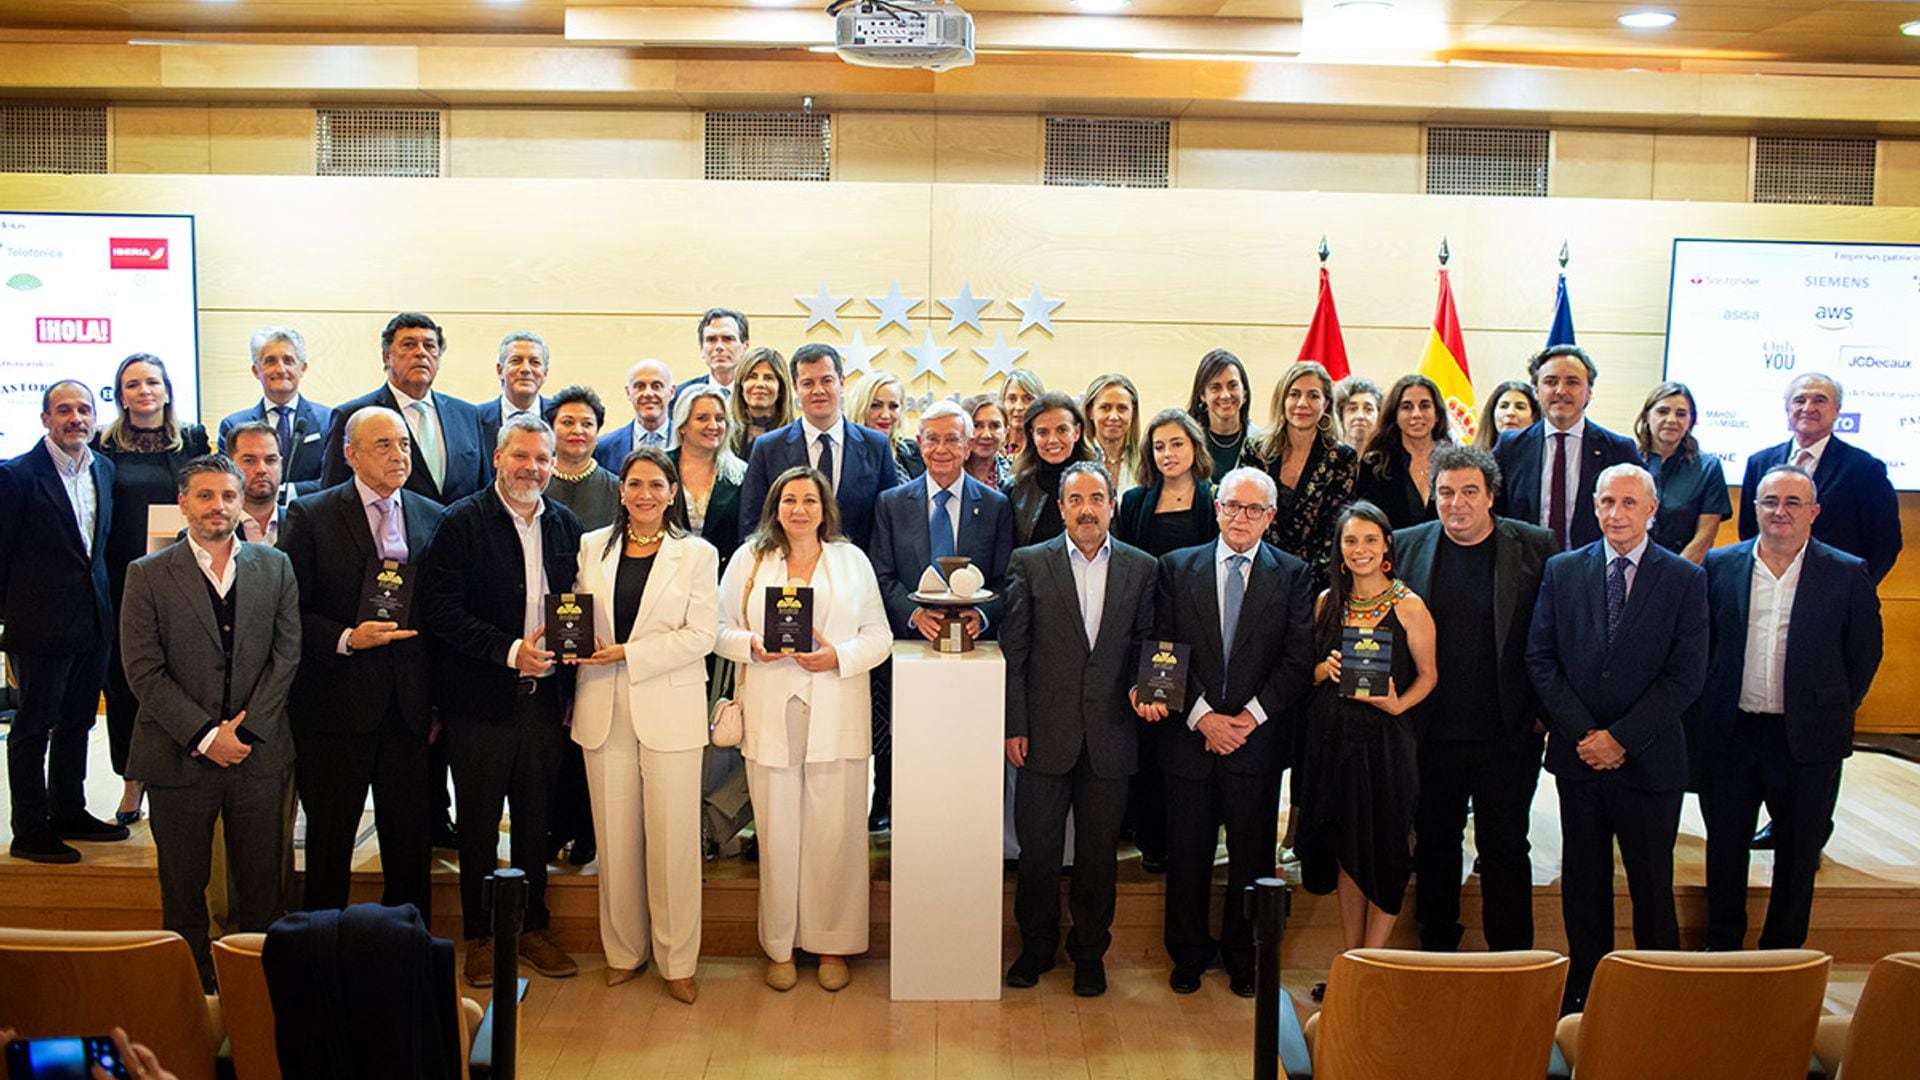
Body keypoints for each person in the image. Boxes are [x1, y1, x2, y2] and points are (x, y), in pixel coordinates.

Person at [1526, 463, 1707, 1013]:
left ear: (1652, 510)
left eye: (1629, 503)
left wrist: (1621, 738)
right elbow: (1541, 658)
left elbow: (1687, 675)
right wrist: (1585, 734)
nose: (1616, 514)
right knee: (1584, 881)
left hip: (1648, 759)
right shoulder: (1562, 570)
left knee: (1652, 882)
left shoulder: (1684, 578)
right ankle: (1586, 987)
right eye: (1607, 502)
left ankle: (1659, 989)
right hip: (1580, 757)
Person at [119, 455, 300, 989]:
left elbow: (286, 656)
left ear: (242, 502)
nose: (217, 506)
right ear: (183, 503)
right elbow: (142, 670)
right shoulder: (147, 573)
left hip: (258, 755)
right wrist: (204, 735)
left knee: (264, 889)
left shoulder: (276, 567)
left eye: (227, 495)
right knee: (183, 890)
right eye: (205, 496)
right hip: (177, 756)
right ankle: (193, 996)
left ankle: (260, 994)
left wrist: (242, 734)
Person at [417, 415, 584, 988]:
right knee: (481, 825)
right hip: (480, 701)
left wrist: (568, 683)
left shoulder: (565, 524)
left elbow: (573, 611)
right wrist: (509, 650)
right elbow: (440, 611)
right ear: (497, 458)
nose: (532, 468)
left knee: (536, 822)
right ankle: (482, 937)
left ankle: (533, 927)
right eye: (522, 457)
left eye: (542, 459)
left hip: (543, 705)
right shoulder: (460, 522)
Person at [717, 466, 892, 992]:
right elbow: (717, 627)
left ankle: (831, 944)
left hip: (835, 708)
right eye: (789, 499)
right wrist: (751, 645)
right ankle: (781, 945)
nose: (799, 509)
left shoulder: (851, 561)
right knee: (777, 835)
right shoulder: (749, 558)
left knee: (835, 834)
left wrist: (836, 656)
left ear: (824, 508)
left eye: (809, 500)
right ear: (775, 506)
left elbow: (879, 636)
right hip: (771, 708)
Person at [1143, 467, 1315, 998]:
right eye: (1233, 507)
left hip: (1255, 742)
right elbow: (1161, 647)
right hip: (1189, 737)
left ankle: (1245, 958)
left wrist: (1249, 718)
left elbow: (1297, 658)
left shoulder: (1293, 574)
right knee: (1188, 854)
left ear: (1270, 517)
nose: (1241, 518)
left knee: (1252, 857)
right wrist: (1202, 717)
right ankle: (1189, 955)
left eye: (1254, 510)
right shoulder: (1176, 568)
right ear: (1216, 508)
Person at [1702, 465, 1881, 951]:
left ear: (1813, 512)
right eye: (1768, 501)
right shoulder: (1721, 567)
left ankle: (1782, 953)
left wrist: (1832, 706)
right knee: (1724, 848)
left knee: (1798, 854)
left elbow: (1864, 653)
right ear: (1754, 508)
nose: (1779, 511)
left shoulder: (1845, 572)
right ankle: (1722, 945)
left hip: (1806, 739)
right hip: (1732, 733)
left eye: (1792, 503)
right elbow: (1705, 647)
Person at [281, 406, 443, 921]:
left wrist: (436, 702)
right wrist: (348, 637)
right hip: (335, 708)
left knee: (410, 847)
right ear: (350, 455)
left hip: (408, 710)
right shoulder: (313, 514)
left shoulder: (430, 514)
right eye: (384, 446)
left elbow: (438, 616)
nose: (399, 455)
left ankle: (407, 950)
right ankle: (321, 953)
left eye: (404, 445)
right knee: (330, 845)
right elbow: (290, 612)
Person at [570, 447, 719, 1003]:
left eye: (657, 485)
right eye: (635, 484)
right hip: (602, 707)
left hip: (670, 707)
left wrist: (629, 654)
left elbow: (701, 636)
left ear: (672, 493)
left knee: (673, 841)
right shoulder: (592, 547)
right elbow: (576, 619)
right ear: (621, 490)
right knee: (615, 838)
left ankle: (678, 960)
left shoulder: (697, 554)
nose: (645, 494)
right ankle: (623, 952)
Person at [1002, 462, 1156, 998]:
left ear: (1113, 505)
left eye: (1097, 498)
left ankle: (1090, 952)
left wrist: (1149, 689)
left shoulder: (1142, 567)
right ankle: (1037, 946)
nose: (1087, 509)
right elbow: (1015, 651)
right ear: (1062, 507)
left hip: (1113, 733)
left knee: (1097, 857)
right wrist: (1013, 724)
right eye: (1076, 499)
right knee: (1039, 851)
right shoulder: (1029, 563)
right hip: (1042, 732)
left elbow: (1148, 644)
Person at [1397, 445, 1555, 952]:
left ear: (1491, 495)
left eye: (1469, 492)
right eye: (1445, 492)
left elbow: (1551, 636)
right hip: (1432, 732)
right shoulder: (1405, 546)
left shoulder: (1535, 546)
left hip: (1507, 733)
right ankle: (1437, 946)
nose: (1456, 503)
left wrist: (1541, 716)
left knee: (1506, 847)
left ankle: (1514, 960)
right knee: (1437, 844)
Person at [1296, 502, 1438, 953]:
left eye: (1370, 540)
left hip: (1385, 747)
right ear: (1339, 550)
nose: (1361, 550)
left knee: (1386, 852)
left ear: (1386, 547)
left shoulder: (1410, 606)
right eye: (1351, 540)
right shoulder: (1325, 603)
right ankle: (1349, 959)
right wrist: (1324, 669)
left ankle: (1372, 961)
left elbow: (1430, 676)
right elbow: (1305, 672)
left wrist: (1398, 705)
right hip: (1331, 745)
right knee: (1348, 854)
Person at [870, 402, 1016, 830]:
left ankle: (963, 824)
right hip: (910, 650)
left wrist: (983, 616)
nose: (941, 448)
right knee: (913, 747)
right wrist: (914, 615)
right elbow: (881, 575)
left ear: (969, 445)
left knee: (962, 751)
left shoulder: (994, 505)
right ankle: (909, 820)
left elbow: (1008, 579)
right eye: (931, 438)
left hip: (975, 657)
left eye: (952, 438)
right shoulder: (892, 503)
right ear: (919, 443)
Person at [0, 381, 121, 863]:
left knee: (79, 720)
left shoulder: (104, 469)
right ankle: (30, 828)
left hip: (93, 618)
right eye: (64, 410)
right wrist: (9, 624)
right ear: (46, 418)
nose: (76, 418)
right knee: (33, 726)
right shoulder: (16, 476)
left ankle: (69, 810)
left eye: (85, 409)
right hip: (38, 623)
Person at [93, 353, 213, 828]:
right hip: (125, 578)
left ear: (167, 389)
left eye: (152, 382)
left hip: (184, 577)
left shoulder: (196, 439)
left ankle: (188, 768)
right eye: (133, 384)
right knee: (126, 685)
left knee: (183, 676)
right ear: (120, 395)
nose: (144, 391)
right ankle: (132, 780)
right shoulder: (104, 446)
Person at [1112, 408, 1217, 874]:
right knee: (1153, 735)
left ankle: (1192, 842)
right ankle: (1152, 841)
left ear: (1194, 446)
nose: (1168, 453)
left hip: (1201, 635)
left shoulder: (1215, 501)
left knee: (1191, 741)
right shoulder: (1135, 502)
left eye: (1176, 443)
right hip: (1152, 637)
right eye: (1159, 446)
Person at [1737, 372, 1901, 585]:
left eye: (1820, 400)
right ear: (1788, 409)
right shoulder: (1759, 462)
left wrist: (1857, 589)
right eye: (1799, 400)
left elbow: (1885, 542)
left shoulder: (1865, 468)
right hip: (1768, 587)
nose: (1808, 408)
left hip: (1835, 592)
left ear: (1837, 410)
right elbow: (1749, 530)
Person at [319, 313, 492, 506]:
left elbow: (482, 491)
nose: (421, 353)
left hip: (460, 533)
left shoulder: (466, 414)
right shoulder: (354, 415)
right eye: (409, 345)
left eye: (429, 346)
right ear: (387, 357)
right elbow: (332, 498)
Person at [738, 343, 897, 548]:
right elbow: (752, 524)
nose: (818, 390)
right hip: (788, 573)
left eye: (827, 381)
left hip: (858, 570)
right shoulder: (767, 448)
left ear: (842, 383)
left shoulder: (876, 446)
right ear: (795, 388)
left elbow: (889, 523)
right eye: (808, 383)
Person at [1494, 344, 1641, 552]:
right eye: (1550, 382)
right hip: (1523, 570)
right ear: (1536, 391)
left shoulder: (1618, 450)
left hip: (1590, 572)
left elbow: (1640, 516)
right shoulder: (1510, 447)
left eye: (1572, 382)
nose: (1561, 391)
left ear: (1589, 391)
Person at [1250, 361, 1358, 581]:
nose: (1302, 403)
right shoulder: (1256, 450)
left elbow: (1334, 528)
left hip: (1314, 578)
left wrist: (1306, 578)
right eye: (1294, 394)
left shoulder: (1343, 458)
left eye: (1313, 396)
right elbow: (1246, 511)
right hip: (1257, 570)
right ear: (1283, 400)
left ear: (1326, 403)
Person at [217, 326, 332, 495]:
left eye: (288, 360)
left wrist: (289, 492)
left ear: (303, 368)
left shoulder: (328, 420)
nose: (280, 369)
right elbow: (228, 483)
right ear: (256, 371)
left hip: (315, 517)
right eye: (270, 361)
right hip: (253, 517)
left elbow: (334, 481)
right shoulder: (233, 425)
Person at [1635, 380, 1729, 563]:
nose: (1671, 420)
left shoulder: (1709, 468)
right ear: (1646, 416)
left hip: (1684, 574)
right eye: (1662, 411)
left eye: (1681, 414)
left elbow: (1705, 536)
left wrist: (1676, 577)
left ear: (1691, 421)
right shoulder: (1627, 462)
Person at [668, 385, 746, 577]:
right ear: (683, 425)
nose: (713, 426)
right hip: (667, 576)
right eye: (702, 418)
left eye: (720, 419)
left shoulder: (741, 474)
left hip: (724, 579)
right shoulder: (659, 468)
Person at [1355, 373, 1449, 531]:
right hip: (1394, 552)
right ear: (1395, 415)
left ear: (1437, 414)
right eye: (1407, 407)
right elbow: (1366, 525)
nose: (1416, 414)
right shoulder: (1375, 465)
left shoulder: (1456, 463)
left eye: (1425, 405)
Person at [1006, 391, 1099, 548]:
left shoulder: (1099, 483)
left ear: (1076, 432)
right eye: (1042, 432)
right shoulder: (1015, 490)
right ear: (1032, 436)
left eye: (1062, 430)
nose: (1053, 440)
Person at [543, 384, 621, 532]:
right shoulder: (536, 483)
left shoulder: (616, 489)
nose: (578, 430)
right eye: (568, 422)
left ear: (597, 433)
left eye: (587, 424)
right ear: (551, 430)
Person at [594, 358, 676, 469]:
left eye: (656, 386)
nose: (648, 393)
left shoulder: (688, 442)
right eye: (640, 386)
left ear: (672, 392)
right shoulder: (603, 448)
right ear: (628, 392)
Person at [1188, 349, 1256, 479]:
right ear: (1202, 395)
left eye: (1232, 386)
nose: (1225, 395)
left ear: (1244, 392)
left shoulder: (1261, 445)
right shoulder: (1188, 443)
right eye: (1215, 387)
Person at [477, 331, 551, 450]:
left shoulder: (560, 417)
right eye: (516, 361)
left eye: (535, 362)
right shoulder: (476, 419)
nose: (526, 369)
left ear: (545, 374)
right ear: (500, 371)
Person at [846, 370, 923, 481]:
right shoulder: (845, 453)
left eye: (893, 406)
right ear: (860, 407)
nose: (886, 415)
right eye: (876, 405)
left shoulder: (913, 451)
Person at [225, 421, 287, 546]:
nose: (261, 470)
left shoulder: (300, 526)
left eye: (270, 460)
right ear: (230, 465)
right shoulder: (214, 530)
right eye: (249, 461)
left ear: (280, 464)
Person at [727, 347, 793, 461]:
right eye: (752, 377)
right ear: (741, 384)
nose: (760, 384)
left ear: (781, 388)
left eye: (768, 378)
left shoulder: (794, 437)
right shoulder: (723, 432)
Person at [1083, 373, 1142, 495]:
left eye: (1122, 408)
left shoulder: (1146, 462)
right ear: (1090, 412)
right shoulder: (1078, 458)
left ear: (1133, 414)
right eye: (1105, 407)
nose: (1114, 416)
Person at [675, 307, 749, 399]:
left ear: (745, 347)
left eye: (728, 339)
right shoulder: (681, 396)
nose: (719, 347)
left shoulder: (756, 394)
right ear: (701, 348)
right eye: (711, 339)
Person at [963, 393, 1015, 489]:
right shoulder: (949, 475)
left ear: (1006, 432)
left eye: (995, 426)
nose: (986, 434)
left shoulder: (1015, 479)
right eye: (977, 426)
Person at [1472, 380, 1539, 451]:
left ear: (1534, 416)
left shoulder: (1545, 456)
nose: (1510, 413)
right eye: (1503, 406)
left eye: (1520, 407)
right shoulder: (1472, 457)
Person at [998, 368, 1044, 464]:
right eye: (1012, 398)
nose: (1019, 407)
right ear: (1002, 403)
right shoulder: (991, 447)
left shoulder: (1047, 449)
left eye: (1028, 398)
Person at [1332, 376, 1382, 454]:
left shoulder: (1388, 460)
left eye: (1368, 409)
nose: (1360, 416)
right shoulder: (1328, 459)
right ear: (1341, 415)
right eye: (1352, 409)